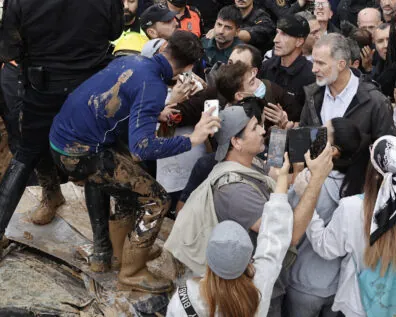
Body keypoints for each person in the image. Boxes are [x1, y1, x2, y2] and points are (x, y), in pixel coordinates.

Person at [49, 31, 220, 293]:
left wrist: (157, 112)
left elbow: (122, 100)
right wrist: (193, 139)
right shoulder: (152, 85)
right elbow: (142, 148)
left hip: (62, 140)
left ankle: (121, 254)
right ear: (188, 68)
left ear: (164, 46)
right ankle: (131, 272)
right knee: (157, 200)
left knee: (130, 186)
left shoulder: (133, 61)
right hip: (79, 154)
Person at [165, 103, 334, 316]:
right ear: (236, 142)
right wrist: (316, 181)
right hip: (255, 292)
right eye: (255, 128)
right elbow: (287, 236)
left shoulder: (249, 162)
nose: (263, 131)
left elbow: (274, 177)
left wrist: (296, 167)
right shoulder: (234, 192)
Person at [0, 0, 123, 238]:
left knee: (29, 151)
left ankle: (102, 246)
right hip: (83, 87)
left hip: (55, 86)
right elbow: (115, 30)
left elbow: (9, 50)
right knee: (89, 153)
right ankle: (98, 242)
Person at [308, 135, 396, 317]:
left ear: (373, 170)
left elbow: (326, 248)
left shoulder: (352, 207)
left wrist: (308, 204)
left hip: (358, 306)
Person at [166, 156, 294, 317]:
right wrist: (283, 179)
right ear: (249, 261)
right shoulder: (260, 285)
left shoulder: (186, 298)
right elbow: (274, 236)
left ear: (208, 260)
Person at [285, 117, 371, 317]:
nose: (315, 137)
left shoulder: (310, 183)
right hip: (336, 285)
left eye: (322, 135)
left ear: (333, 151)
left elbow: (287, 220)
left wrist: (297, 173)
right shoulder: (359, 186)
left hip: (303, 283)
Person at [300, 33, 396, 141]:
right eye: (314, 62)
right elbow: (304, 139)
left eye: (321, 63)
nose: (314, 69)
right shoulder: (312, 95)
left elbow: (387, 150)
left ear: (341, 65)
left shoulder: (376, 101)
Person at [259, 15, 315, 124]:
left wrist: (288, 123)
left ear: (299, 41)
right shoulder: (266, 67)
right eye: (277, 32)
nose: (276, 40)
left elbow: (313, 122)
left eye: (284, 34)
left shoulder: (311, 77)